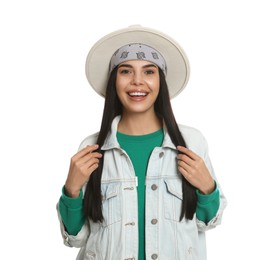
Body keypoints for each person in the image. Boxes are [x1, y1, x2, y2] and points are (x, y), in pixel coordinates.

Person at [57, 25, 227, 260]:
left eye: (149, 72)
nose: (138, 82)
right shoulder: (92, 147)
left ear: (161, 81)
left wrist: (208, 188)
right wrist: (71, 191)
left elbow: (207, 222)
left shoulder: (191, 142)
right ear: (114, 81)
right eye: (126, 71)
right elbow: (77, 238)